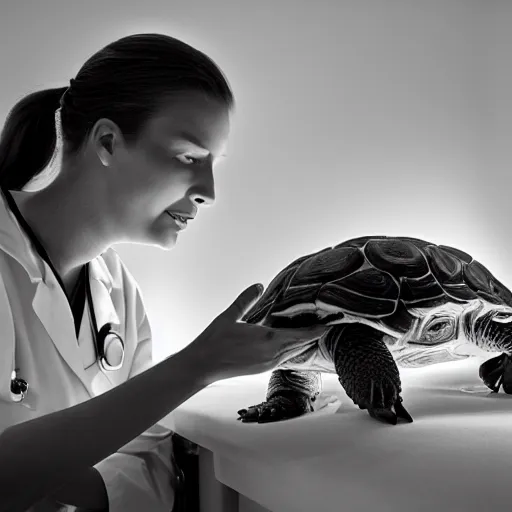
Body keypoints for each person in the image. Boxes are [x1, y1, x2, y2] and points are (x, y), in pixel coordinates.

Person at [0, 33, 326, 512]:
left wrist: (70, 487)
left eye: (213, 163)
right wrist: (198, 365)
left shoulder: (117, 289)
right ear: (107, 142)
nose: (208, 191)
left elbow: (149, 454)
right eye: (188, 157)